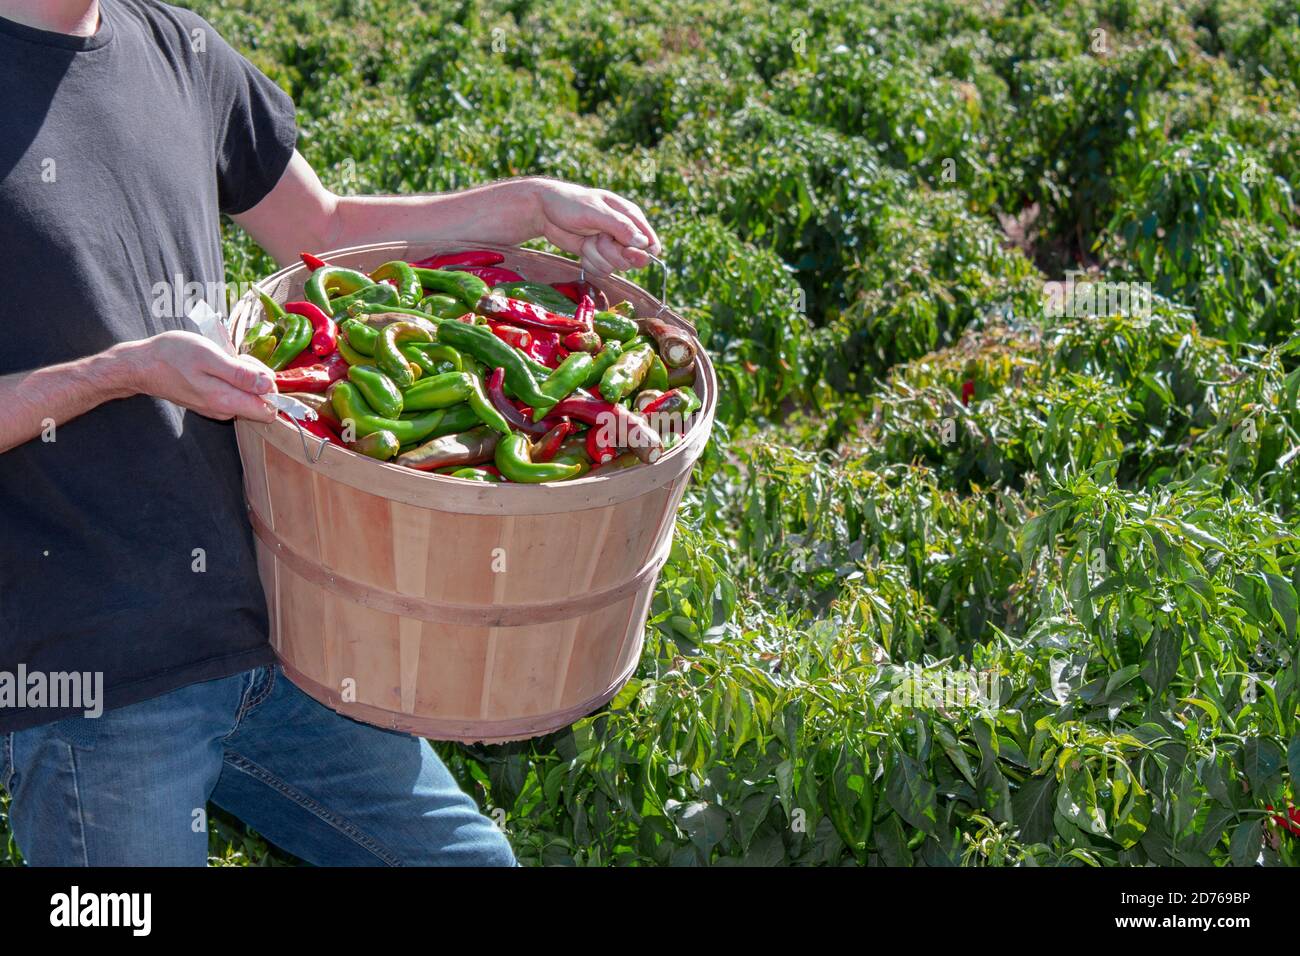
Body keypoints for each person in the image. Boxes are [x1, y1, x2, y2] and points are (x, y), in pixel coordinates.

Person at [0, 0, 661, 866]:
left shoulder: (178, 47)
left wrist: (524, 207)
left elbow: (324, 232)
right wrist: (117, 372)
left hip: (276, 629)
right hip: (96, 677)